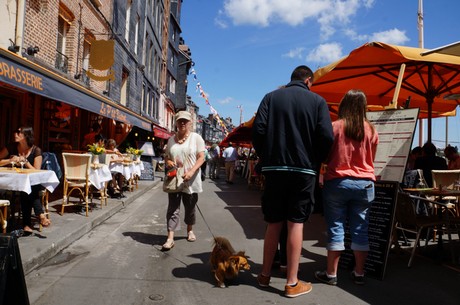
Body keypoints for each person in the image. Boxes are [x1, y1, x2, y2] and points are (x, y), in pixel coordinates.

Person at [252, 65, 334, 298]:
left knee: (273, 221)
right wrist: (316, 159)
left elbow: (258, 130)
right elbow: (326, 137)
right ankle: (291, 282)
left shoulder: (270, 97)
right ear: (309, 80)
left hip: (274, 168)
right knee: (296, 223)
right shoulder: (317, 102)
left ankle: (265, 275)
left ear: (291, 79)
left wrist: (266, 155)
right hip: (304, 170)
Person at [314, 89, 379, 287]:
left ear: (344, 105)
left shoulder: (335, 127)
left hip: (337, 182)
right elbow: (372, 159)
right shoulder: (372, 130)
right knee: (361, 229)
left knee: (336, 227)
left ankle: (331, 274)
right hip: (365, 183)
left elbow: (324, 155)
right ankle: (359, 273)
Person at [162, 111, 206, 250]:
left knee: (190, 208)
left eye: (185, 121)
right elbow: (167, 156)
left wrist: (192, 171)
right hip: (174, 179)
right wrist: (168, 161)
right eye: (180, 120)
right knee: (173, 209)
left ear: (190, 123)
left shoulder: (196, 138)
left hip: (191, 180)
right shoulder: (170, 140)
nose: (182, 123)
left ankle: (189, 229)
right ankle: (170, 238)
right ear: (175, 122)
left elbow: (201, 157)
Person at [0, 127, 50, 233]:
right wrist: (9, 160)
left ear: (26, 136)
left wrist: (26, 162)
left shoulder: (36, 150)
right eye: (16, 131)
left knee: (27, 188)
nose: (15, 134)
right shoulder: (11, 147)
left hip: (33, 183)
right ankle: (40, 215)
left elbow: (36, 172)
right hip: (13, 182)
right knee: (25, 187)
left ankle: (27, 223)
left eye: (19, 132)